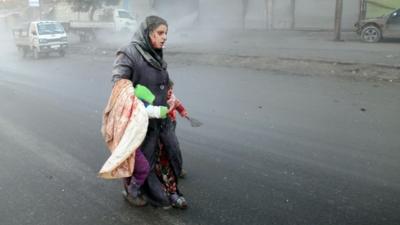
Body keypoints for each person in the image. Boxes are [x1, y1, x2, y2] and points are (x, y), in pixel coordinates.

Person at [112, 15, 187, 209]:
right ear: (148, 33)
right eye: (160, 33)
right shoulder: (128, 53)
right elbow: (120, 88)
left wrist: (171, 98)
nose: (164, 38)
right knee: (142, 161)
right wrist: (147, 108)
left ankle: (168, 191)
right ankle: (132, 190)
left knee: (168, 155)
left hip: (161, 120)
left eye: (166, 34)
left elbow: (164, 83)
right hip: (140, 121)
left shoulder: (156, 54)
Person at [167, 80, 188, 178]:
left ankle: (177, 169)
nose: (170, 91)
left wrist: (182, 111)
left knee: (173, 145)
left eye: (171, 89)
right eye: (168, 89)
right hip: (160, 124)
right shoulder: (158, 97)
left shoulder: (172, 97)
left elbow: (177, 104)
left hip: (171, 123)